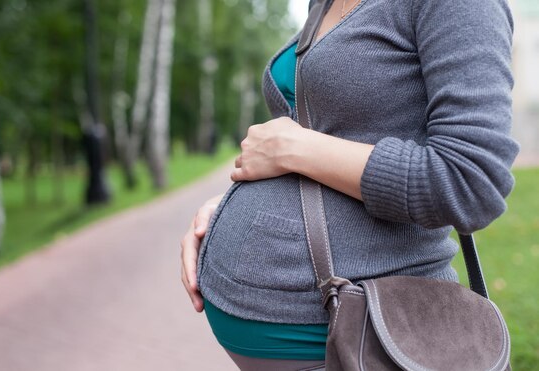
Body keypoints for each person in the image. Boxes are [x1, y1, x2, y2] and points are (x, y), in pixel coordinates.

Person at [180, 0, 519, 369]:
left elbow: (471, 181)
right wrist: (227, 204)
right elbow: (334, 135)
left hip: (360, 323)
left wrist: (295, 150)